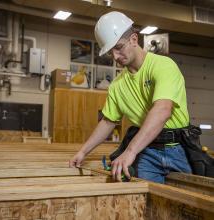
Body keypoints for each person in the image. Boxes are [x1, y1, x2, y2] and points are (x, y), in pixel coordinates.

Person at [69, 11, 192, 183]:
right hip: (147, 150)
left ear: (134, 39)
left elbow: (163, 110)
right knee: (147, 202)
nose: (115, 57)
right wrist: (83, 152)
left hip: (178, 149)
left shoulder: (163, 66)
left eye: (118, 48)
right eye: (110, 52)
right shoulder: (117, 86)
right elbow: (107, 122)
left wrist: (130, 151)